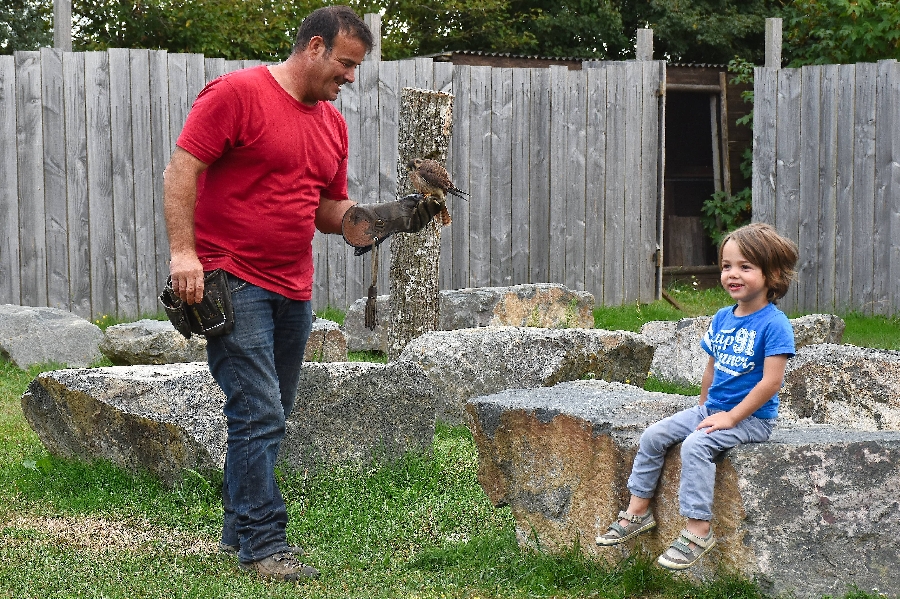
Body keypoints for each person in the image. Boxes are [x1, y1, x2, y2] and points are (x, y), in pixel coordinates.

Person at [163, 6, 442, 582]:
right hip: (231, 277)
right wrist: (183, 254)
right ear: (313, 47)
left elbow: (324, 210)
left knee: (268, 413)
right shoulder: (236, 94)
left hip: (293, 286)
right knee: (259, 409)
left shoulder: (331, 126)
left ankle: (237, 535)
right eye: (344, 64)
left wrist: (386, 217)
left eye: (356, 67)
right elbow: (181, 170)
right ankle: (265, 546)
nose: (350, 77)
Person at [595, 222, 799, 570]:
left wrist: (731, 418)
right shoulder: (722, 318)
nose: (732, 274)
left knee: (696, 445)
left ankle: (697, 530)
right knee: (655, 435)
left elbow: (770, 383)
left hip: (751, 420)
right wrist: (705, 406)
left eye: (745, 267)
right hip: (712, 408)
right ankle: (638, 510)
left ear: (773, 274)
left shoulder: (774, 324)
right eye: (726, 265)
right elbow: (712, 366)